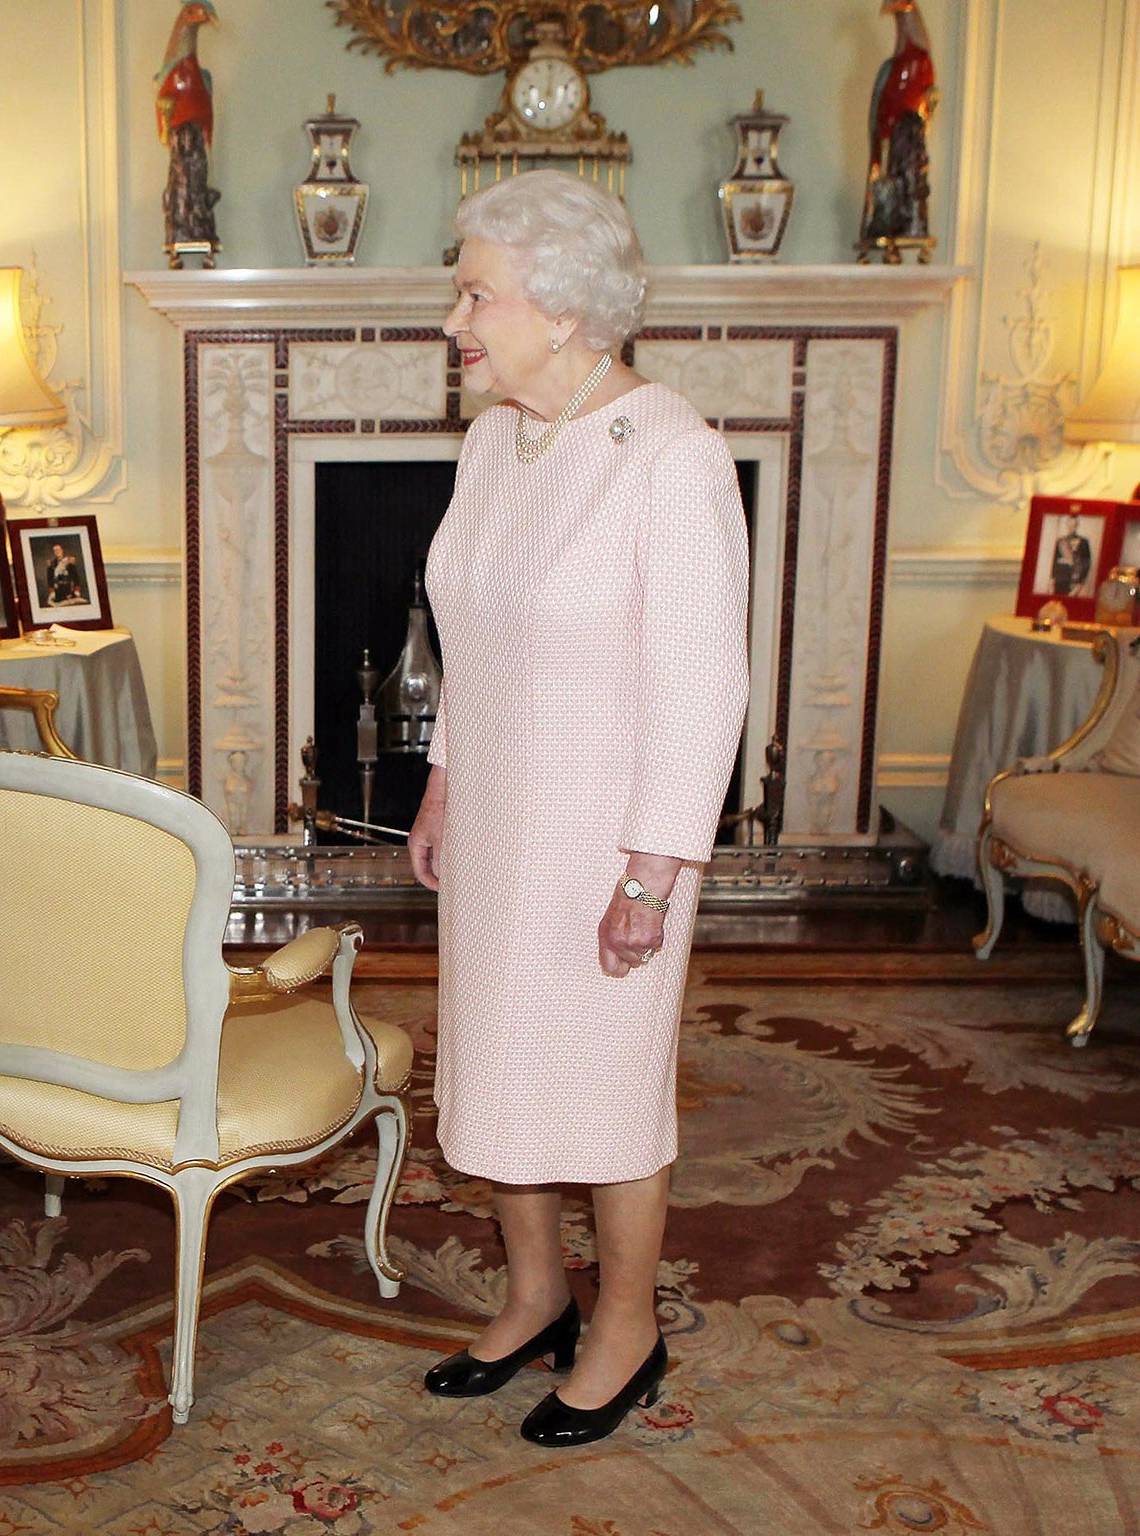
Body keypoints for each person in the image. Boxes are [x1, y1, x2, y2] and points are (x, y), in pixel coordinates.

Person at [405, 169, 748, 1449]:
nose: (455, 318)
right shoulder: (499, 439)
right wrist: (442, 776)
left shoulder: (668, 453)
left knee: (604, 1086)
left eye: (474, 291)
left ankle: (625, 1322)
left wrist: (653, 871)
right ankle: (538, 1291)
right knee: (499, 1062)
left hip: (610, 836)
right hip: (499, 816)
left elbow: (705, 687)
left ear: (555, 307)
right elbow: (468, 632)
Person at [1051, 514, 1092, 595]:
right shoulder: (1060, 541)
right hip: (1060, 579)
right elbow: (1054, 561)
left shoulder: (1084, 542)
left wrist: (1081, 582)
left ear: (1077, 526)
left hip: (1075, 580)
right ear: (1067, 524)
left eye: (1074, 525)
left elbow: (1087, 562)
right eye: (1070, 525)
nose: (1071, 527)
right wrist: (1052, 579)